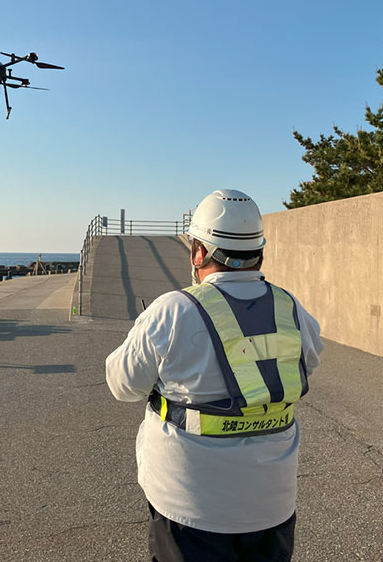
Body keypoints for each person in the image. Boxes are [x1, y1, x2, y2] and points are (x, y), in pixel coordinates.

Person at [105, 189, 322, 562]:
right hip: (272, 504)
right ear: (259, 251)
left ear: (198, 253)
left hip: (189, 507)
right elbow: (309, 359)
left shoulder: (173, 310)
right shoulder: (291, 308)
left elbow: (122, 385)